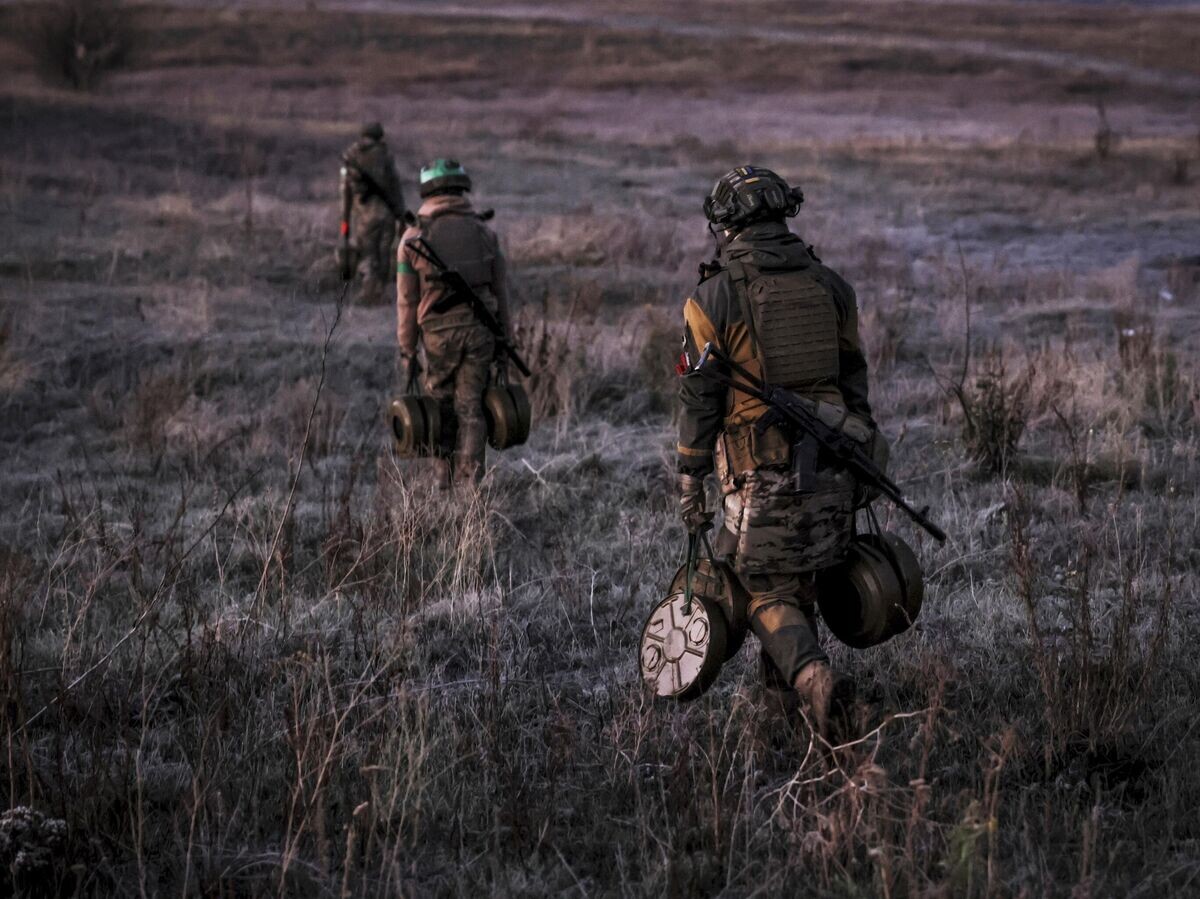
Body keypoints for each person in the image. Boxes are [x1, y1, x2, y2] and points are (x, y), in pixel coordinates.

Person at [676, 166, 883, 740]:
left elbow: (699, 397)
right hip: (837, 461)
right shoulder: (832, 285)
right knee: (797, 582)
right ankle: (784, 722)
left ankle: (815, 680)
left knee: (758, 585)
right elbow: (854, 381)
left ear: (726, 225)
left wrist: (690, 475)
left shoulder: (712, 296)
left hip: (760, 471)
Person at [396, 159, 512, 486]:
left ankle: (442, 483)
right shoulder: (486, 233)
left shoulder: (412, 238)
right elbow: (501, 291)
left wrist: (407, 350)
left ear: (428, 190)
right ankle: (470, 487)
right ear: (462, 188)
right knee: (472, 408)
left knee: (439, 406)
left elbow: (407, 302)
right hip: (481, 333)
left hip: (437, 336)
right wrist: (506, 341)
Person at [339, 122, 406, 304]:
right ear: (380, 136)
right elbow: (395, 188)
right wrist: (401, 216)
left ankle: (368, 290)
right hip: (387, 215)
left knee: (368, 253)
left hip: (365, 216)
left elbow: (345, 193)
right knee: (384, 254)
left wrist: (345, 222)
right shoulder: (386, 156)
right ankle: (380, 291)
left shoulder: (350, 157)